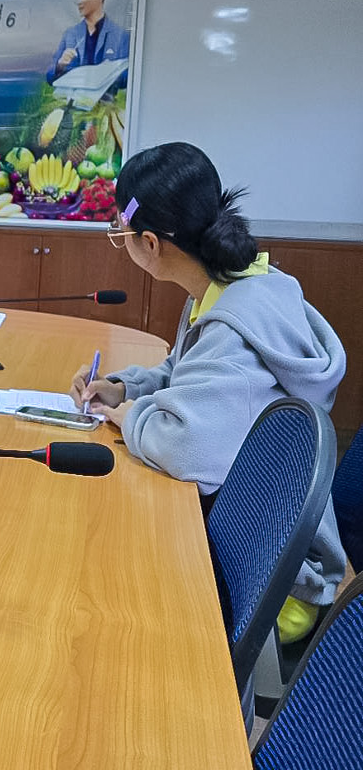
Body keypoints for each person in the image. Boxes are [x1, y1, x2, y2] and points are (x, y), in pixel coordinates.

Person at [69, 142, 346, 643]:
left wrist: (128, 415)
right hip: (248, 530)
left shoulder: (233, 326)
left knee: (102, 593)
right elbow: (184, 371)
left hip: (273, 580)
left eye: (121, 233)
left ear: (150, 244)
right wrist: (121, 387)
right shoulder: (231, 285)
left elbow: (184, 446)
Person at [45, 0, 131, 86]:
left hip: (106, 103)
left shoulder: (120, 35)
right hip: (72, 101)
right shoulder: (70, 34)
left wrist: (103, 74)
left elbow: (129, 77)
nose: (78, 1)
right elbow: (50, 77)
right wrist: (60, 66)